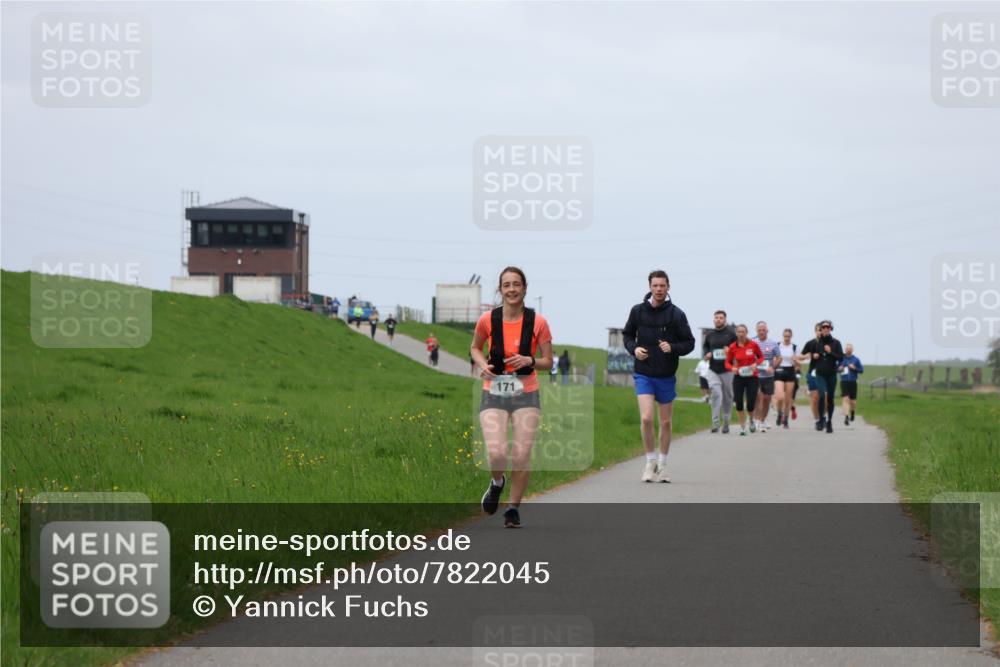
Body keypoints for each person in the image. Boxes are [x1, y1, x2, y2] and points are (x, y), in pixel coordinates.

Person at [472, 267, 553, 528]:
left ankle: (513, 509)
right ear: (500, 289)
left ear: (525, 288)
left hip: (526, 392)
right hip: (493, 390)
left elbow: (548, 362)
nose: (512, 289)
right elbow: (475, 347)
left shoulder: (538, 322)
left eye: (516, 284)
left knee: (520, 454)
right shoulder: (487, 319)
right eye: (506, 285)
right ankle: (497, 483)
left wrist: (530, 359)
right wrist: (482, 364)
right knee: (496, 452)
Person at [622, 270, 696, 482]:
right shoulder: (637, 311)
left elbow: (689, 343)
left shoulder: (676, 314)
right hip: (643, 372)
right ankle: (650, 461)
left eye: (662, 286)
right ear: (649, 287)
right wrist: (634, 348)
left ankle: (663, 465)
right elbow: (627, 335)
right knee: (646, 418)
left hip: (665, 374)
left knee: (665, 422)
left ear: (668, 287)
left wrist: (672, 347)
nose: (659, 289)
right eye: (655, 286)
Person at [725, 324, 764, 436]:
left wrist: (755, 364)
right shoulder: (733, 347)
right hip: (739, 376)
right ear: (736, 333)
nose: (741, 334)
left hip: (752, 377)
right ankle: (742, 427)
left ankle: (751, 420)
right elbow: (727, 362)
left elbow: (761, 357)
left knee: (750, 404)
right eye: (739, 332)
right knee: (739, 404)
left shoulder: (753, 345)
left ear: (746, 333)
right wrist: (732, 367)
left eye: (743, 332)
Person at [702, 310, 737, 433]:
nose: (718, 320)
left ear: (725, 319)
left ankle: (726, 421)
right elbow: (705, 347)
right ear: (714, 319)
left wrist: (730, 351)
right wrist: (707, 354)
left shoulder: (731, 334)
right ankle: (715, 422)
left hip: (727, 370)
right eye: (716, 317)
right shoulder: (710, 335)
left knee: (727, 396)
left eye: (721, 318)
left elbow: (738, 349)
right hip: (713, 369)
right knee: (716, 393)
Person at [809, 319, 844, 433]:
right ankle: (820, 420)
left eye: (827, 327)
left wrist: (830, 352)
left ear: (830, 329)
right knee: (822, 395)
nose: (825, 329)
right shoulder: (816, 343)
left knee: (830, 399)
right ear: (820, 329)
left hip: (831, 375)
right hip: (820, 374)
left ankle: (829, 421)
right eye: (823, 327)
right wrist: (813, 357)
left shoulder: (836, 343)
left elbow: (840, 358)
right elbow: (812, 358)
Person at [752, 321, 780, 432]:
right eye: (759, 330)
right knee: (759, 397)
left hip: (768, 376)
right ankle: (756, 420)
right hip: (755, 375)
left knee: (767, 399)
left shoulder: (773, 343)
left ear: (767, 331)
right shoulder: (752, 342)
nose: (761, 332)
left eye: (763, 330)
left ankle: (762, 420)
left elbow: (778, 357)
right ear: (756, 331)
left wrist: (774, 366)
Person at [797, 323, 824, 426]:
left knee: (825, 398)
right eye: (818, 330)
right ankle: (818, 420)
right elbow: (800, 357)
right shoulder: (810, 343)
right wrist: (808, 356)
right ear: (815, 331)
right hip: (812, 374)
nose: (820, 332)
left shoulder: (830, 343)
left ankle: (823, 416)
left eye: (821, 330)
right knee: (815, 398)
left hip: (825, 374)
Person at [772, 328, 798, 429]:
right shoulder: (777, 345)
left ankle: (786, 419)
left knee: (788, 399)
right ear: (783, 336)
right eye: (785, 336)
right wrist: (776, 360)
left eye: (788, 336)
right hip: (779, 370)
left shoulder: (795, 347)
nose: (786, 338)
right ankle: (779, 413)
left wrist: (795, 360)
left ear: (791, 336)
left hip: (790, 371)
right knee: (779, 397)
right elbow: (773, 359)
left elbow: (798, 363)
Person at [839, 343, 864, 425]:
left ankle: (852, 412)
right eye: (847, 349)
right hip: (844, 381)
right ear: (845, 350)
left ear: (852, 350)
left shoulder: (856, 359)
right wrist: (839, 369)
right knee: (845, 399)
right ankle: (846, 417)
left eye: (850, 349)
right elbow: (835, 369)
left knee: (853, 401)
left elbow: (861, 370)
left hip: (853, 382)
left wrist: (854, 368)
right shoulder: (841, 359)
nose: (848, 350)